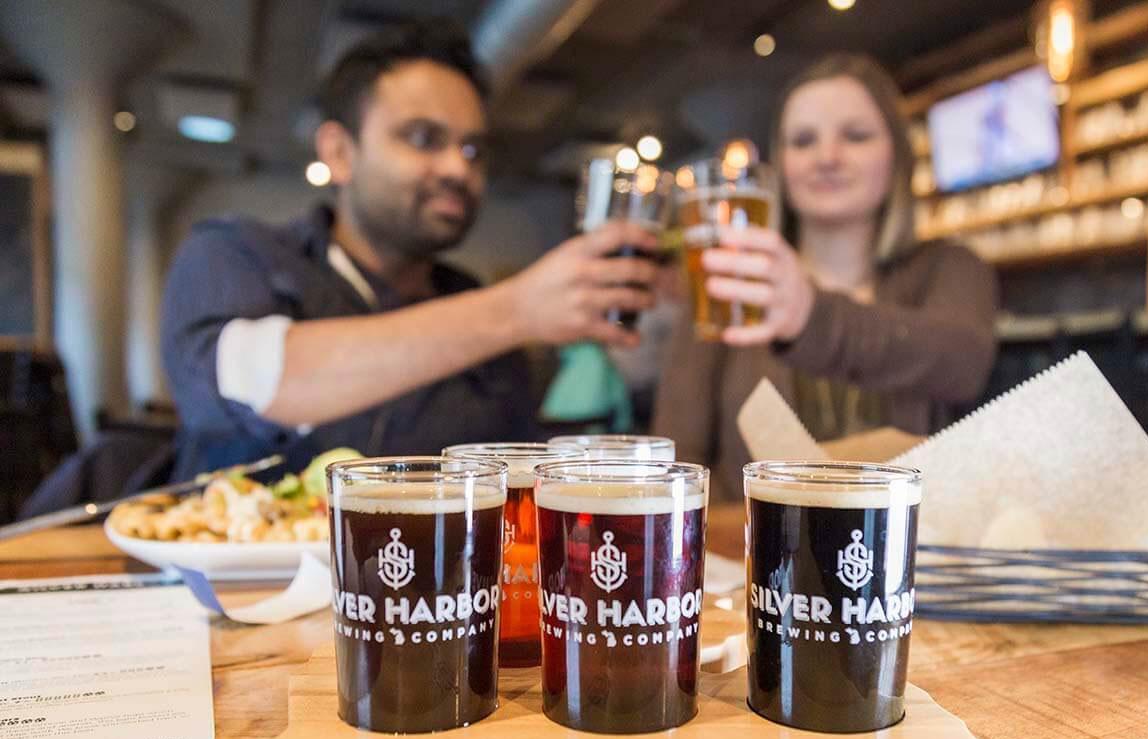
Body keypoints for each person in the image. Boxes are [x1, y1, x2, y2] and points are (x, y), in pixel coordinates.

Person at [161, 21, 659, 478]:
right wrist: (517, 309)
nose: (459, 169)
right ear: (339, 152)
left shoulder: (471, 303)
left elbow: (514, 480)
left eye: (473, 150)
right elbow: (251, 382)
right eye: (423, 139)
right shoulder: (235, 255)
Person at [654, 54, 998, 500]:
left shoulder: (948, 266)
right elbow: (679, 456)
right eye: (803, 141)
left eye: (855, 136)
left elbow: (962, 365)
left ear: (897, 155)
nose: (827, 157)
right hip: (755, 542)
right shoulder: (729, 285)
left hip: (910, 540)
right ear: (781, 166)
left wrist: (810, 316)